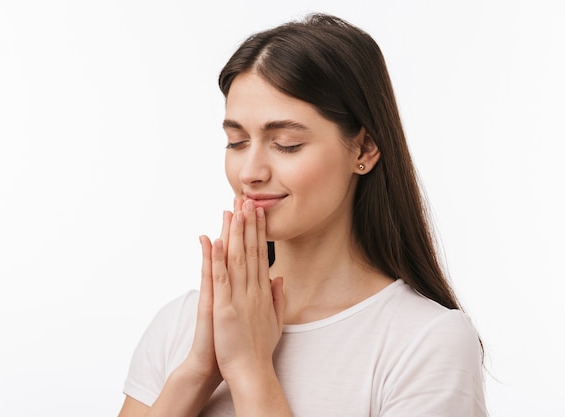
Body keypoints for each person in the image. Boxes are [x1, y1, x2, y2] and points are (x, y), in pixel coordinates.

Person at [117, 13, 487, 417]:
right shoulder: (183, 324)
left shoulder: (426, 342)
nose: (250, 173)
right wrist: (197, 371)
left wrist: (250, 369)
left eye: (286, 144)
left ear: (363, 150)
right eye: (236, 142)